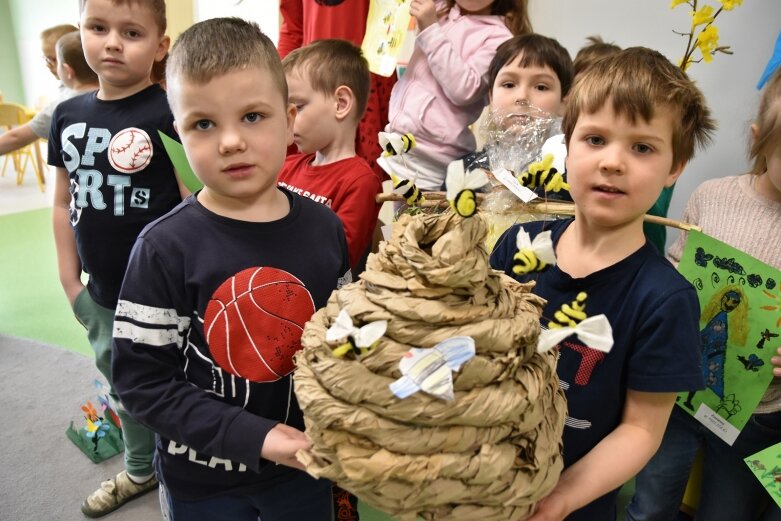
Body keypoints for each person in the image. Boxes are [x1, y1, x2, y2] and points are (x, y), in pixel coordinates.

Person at [112, 17, 348, 521]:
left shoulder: (326, 229)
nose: (230, 142)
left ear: (289, 120)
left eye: (253, 116)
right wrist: (256, 437)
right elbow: (142, 385)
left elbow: (344, 338)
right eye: (203, 124)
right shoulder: (162, 248)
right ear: (177, 132)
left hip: (304, 468)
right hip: (203, 482)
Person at [489, 47, 716, 520]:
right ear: (566, 147)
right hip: (478, 479)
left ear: (675, 168)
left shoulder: (664, 300)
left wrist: (563, 497)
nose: (613, 161)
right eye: (594, 139)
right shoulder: (518, 245)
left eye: (642, 147)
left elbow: (641, 431)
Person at [626, 68, 781, 521]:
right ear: (760, 139)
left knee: (725, 513)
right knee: (651, 502)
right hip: (678, 393)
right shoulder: (712, 197)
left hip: (759, 411)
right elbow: (677, 266)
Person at [48, 0, 183, 516]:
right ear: (81, 30)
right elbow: (63, 200)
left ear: (160, 46)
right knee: (122, 385)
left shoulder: (170, 111)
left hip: (164, 292)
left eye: (131, 32)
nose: (111, 43)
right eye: (98, 28)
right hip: (100, 292)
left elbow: (193, 201)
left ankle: (184, 468)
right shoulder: (67, 115)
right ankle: (140, 469)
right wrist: (68, 279)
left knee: (175, 381)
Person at [381, 0, 530, 191]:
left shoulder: (499, 37)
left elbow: (465, 89)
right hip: (402, 143)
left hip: (432, 156)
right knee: (401, 218)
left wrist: (430, 29)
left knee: (418, 218)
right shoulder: (443, 9)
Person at [279, 39, 382, 274]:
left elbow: (337, 260)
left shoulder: (360, 182)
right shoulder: (286, 167)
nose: (288, 119)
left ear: (341, 103)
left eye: (298, 107)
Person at [278, 0, 396, 182]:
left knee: (357, 179)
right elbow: (293, 27)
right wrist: (280, 84)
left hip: (363, 75)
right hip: (309, 80)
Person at [460, 33, 573, 188]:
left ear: (564, 102)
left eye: (541, 87)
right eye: (509, 85)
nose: (522, 97)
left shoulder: (573, 174)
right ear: (491, 97)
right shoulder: (464, 171)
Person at [0, 31, 98, 157]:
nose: (48, 65)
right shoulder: (117, 90)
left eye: (53, 59)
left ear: (67, 69)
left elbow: (16, 138)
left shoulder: (62, 108)